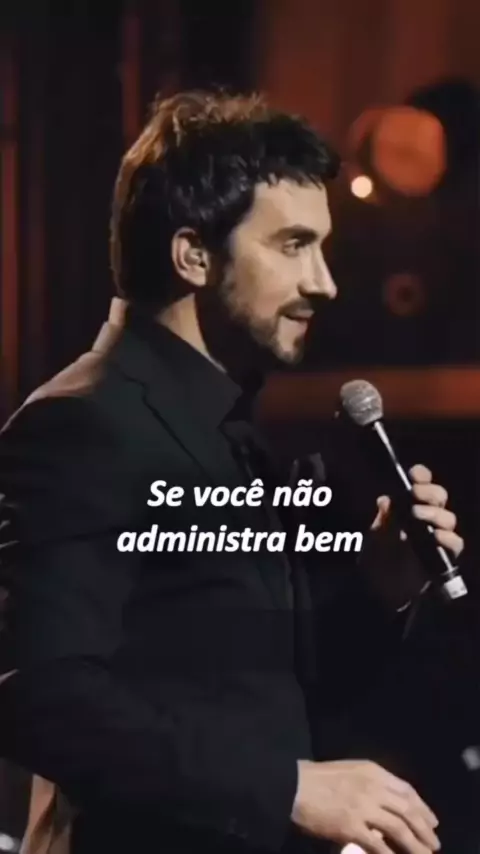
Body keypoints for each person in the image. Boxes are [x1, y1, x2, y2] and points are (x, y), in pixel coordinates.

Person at [0, 91, 464, 854]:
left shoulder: (232, 431)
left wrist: (379, 586)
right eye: (293, 245)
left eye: (322, 248)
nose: (325, 282)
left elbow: (261, 694)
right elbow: (36, 695)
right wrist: (288, 789)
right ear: (192, 254)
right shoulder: (79, 425)